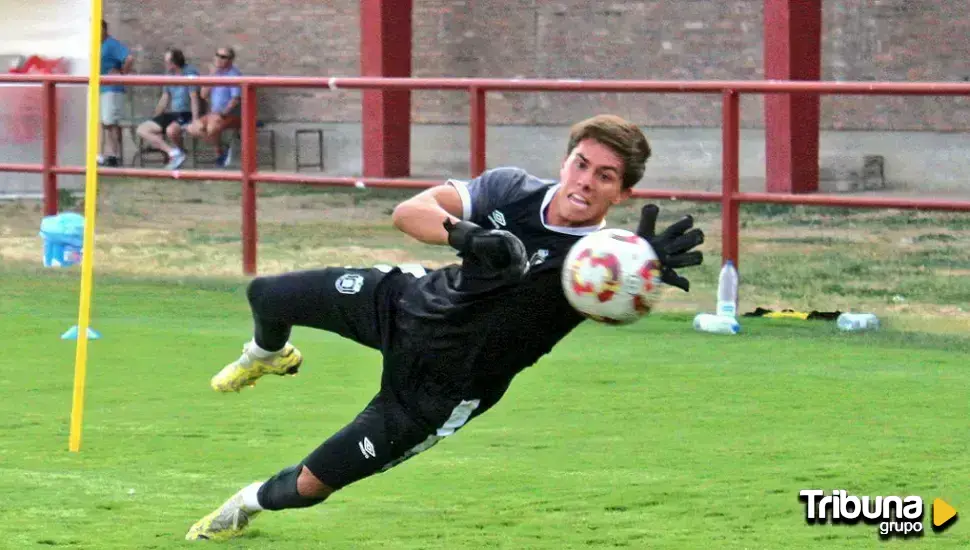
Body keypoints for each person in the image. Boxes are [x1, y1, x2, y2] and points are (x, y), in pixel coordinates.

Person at [185, 114, 705, 541]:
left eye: (605, 176)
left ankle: (242, 507)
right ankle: (265, 355)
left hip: (440, 390)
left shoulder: (600, 264)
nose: (585, 181)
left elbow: (609, 306)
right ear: (565, 161)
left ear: (624, 193)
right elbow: (409, 211)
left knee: (311, 483)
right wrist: (468, 237)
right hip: (407, 304)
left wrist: (639, 269)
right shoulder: (510, 189)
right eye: (581, 163)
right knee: (267, 294)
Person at [135, 48, 200, 170]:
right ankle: (173, 153)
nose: (165, 64)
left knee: (171, 130)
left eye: (167, 62)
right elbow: (164, 98)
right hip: (173, 114)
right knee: (142, 129)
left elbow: (194, 97)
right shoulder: (169, 75)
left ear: (174, 63)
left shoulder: (190, 73)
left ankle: (180, 153)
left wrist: (195, 119)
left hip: (186, 113)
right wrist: (155, 118)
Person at [186, 47, 241, 168]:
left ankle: (220, 153)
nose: (219, 59)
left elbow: (235, 100)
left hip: (230, 114)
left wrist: (222, 114)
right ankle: (222, 150)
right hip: (213, 114)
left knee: (211, 128)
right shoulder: (215, 74)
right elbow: (203, 94)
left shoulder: (233, 74)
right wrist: (212, 75)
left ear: (230, 60)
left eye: (223, 57)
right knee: (192, 128)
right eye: (217, 55)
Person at [98, 20, 134, 167]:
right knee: (106, 122)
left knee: (110, 122)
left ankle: (114, 155)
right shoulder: (97, 45)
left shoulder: (111, 44)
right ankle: (110, 154)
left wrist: (121, 73)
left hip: (112, 89)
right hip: (102, 89)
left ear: (104, 29)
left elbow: (129, 58)